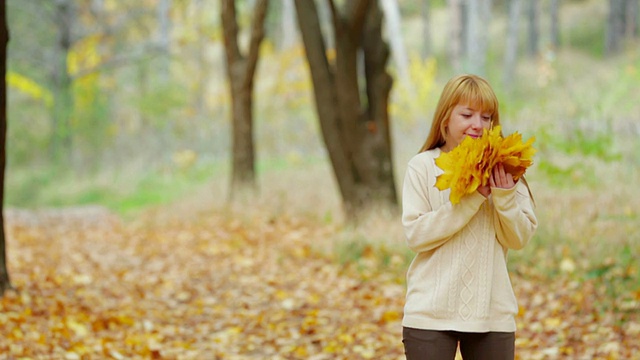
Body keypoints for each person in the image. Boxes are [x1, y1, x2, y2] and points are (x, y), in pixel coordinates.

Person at [401, 74, 538, 360]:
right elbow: (416, 236)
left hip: (492, 314)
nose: (477, 125)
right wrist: (473, 199)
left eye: (486, 117)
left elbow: (518, 238)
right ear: (445, 119)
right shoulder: (423, 166)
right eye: (467, 114)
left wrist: (503, 196)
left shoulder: (507, 169)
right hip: (430, 314)